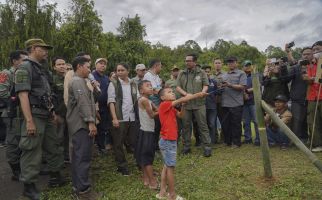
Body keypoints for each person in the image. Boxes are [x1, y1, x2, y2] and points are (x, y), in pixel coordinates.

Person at [14, 39, 65, 199]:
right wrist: (29, 121)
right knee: (32, 150)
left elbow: (46, 94)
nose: (46, 52)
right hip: (34, 115)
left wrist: (53, 113)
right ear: (34, 48)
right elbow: (23, 95)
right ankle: (29, 187)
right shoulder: (24, 68)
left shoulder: (41, 69)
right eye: (43, 49)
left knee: (53, 145)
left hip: (46, 114)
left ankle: (56, 177)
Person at [156, 87, 207, 200]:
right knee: (170, 168)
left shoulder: (170, 108)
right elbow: (179, 100)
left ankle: (162, 193)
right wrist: (197, 94)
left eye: (173, 91)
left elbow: (181, 115)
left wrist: (183, 105)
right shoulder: (164, 104)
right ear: (162, 97)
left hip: (168, 141)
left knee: (166, 166)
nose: (173, 93)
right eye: (169, 92)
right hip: (168, 141)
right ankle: (172, 195)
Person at [67, 56, 101, 199]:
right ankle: (84, 192)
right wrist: (91, 122)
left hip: (78, 125)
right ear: (79, 67)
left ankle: (78, 188)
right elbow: (83, 104)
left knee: (78, 157)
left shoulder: (81, 81)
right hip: (81, 126)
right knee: (83, 158)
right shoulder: (77, 82)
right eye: (87, 67)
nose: (89, 70)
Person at [176, 54, 212, 157]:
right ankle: (186, 147)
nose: (187, 62)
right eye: (186, 61)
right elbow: (178, 87)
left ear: (194, 62)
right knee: (186, 126)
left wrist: (203, 92)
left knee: (203, 125)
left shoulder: (202, 73)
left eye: (189, 61)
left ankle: (207, 147)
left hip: (199, 104)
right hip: (186, 104)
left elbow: (206, 85)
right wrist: (186, 94)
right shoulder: (181, 73)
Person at [0, 50, 28, 180]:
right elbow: (2, 92)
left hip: (24, 113)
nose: (26, 62)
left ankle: (24, 168)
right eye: (23, 59)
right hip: (12, 113)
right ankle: (16, 171)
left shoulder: (26, 73)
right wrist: (17, 100)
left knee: (24, 141)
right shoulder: (6, 74)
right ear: (14, 61)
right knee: (13, 142)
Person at [107, 63, 138, 176]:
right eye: (118, 70)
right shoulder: (113, 84)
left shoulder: (133, 83)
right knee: (118, 143)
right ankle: (122, 167)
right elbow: (111, 102)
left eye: (122, 70)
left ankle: (138, 162)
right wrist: (114, 118)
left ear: (128, 71)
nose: (119, 72)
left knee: (133, 141)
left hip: (132, 117)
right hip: (120, 118)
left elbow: (137, 99)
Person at [284, 46, 313, 142]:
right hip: (297, 99)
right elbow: (286, 79)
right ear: (301, 56)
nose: (306, 56)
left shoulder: (316, 67)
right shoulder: (296, 67)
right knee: (297, 121)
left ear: (312, 55)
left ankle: (311, 140)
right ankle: (296, 141)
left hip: (313, 99)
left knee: (310, 122)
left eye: (308, 54)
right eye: (304, 54)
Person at [135, 80, 159, 189]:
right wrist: (164, 109)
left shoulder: (147, 99)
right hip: (147, 132)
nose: (150, 87)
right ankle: (153, 182)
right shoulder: (144, 100)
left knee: (144, 155)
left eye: (151, 85)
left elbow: (156, 109)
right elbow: (152, 115)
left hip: (145, 130)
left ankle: (146, 179)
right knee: (147, 156)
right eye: (147, 86)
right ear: (141, 90)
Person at [221, 56, 247, 148]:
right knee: (226, 124)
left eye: (232, 62)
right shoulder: (223, 75)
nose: (230, 64)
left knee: (236, 124)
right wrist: (220, 86)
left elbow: (242, 87)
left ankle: (236, 142)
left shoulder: (241, 73)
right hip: (225, 103)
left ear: (236, 63)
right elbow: (221, 87)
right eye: (228, 62)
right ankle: (227, 141)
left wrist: (230, 85)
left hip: (236, 103)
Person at [303, 41, 322, 152]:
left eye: (318, 49)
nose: (315, 52)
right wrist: (309, 79)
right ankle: (317, 144)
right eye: (314, 50)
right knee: (313, 122)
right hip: (312, 97)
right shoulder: (309, 65)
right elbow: (307, 80)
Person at [92, 58, 111, 155]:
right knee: (94, 127)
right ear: (95, 65)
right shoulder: (91, 76)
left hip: (105, 106)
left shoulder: (106, 78)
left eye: (104, 64)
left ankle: (101, 147)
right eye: (100, 63)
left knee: (103, 128)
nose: (103, 65)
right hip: (94, 106)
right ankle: (95, 148)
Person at [51, 57, 69, 162]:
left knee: (69, 136)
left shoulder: (70, 78)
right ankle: (57, 160)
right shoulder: (53, 79)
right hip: (59, 114)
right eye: (59, 64)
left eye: (63, 63)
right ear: (54, 67)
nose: (62, 66)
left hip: (70, 113)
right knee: (58, 137)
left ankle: (67, 156)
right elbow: (50, 97)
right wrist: (53, 112)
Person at [242, 60, 260, 145]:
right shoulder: (241, 76)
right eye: (246, 65)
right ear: (243, 67)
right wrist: (244, 92)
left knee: (256, 121)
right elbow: (240, 87)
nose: (248, 67)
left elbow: (259, 85)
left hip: (254, 101)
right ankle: (247, 139)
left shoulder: (255, 74)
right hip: (244, 102)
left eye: (249, 65)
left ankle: (258, 139)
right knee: (246, 122)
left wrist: (247, 91)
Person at [202, 65, 219, 145]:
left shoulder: (213, 82)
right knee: (204, 125)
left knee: (212, 124)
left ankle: (212, 141)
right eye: (205, 71)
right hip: (202, 107)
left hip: (212, 107)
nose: (207, 73)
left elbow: (216, 93)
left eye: (208, 72)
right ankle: (205, 141)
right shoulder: (199, 83)